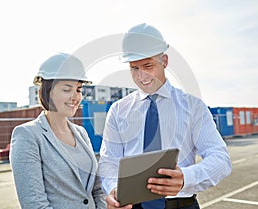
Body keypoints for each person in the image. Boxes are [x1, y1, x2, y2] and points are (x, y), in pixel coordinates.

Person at [98, 23, 232, 209]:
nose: (141, 76)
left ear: (165, 61)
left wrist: (186, 178)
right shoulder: (118, 110)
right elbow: (108, 163)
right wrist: (113, 189)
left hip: (180, 205)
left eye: (148, 66)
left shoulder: (193, 107)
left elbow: (220, 159)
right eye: (134, 68)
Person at [10, 53, 107, 209]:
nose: (75, 97)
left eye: (78, 90)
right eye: (67, 90)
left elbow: (97, 189)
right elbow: (34, 204)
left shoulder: (81, 133)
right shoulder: (27, 135)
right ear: (48, 91)